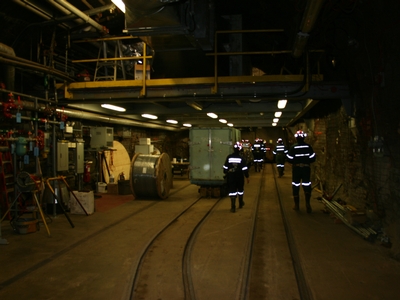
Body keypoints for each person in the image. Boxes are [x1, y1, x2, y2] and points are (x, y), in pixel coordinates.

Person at [286, 130, 316, 213]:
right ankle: (308, 203)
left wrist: (295, 161)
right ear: (304, 137)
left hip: (296, 169)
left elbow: (289, 158)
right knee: (307, 185)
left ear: (296, 138)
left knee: (296, 185)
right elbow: (313, 158)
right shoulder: (308, 147)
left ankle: (296, 205)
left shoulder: (293, 147)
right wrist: (306, 161)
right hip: (306, 168)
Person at [223, 142, 250, 213]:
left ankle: (233, 207)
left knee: (232, 191)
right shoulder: (241, 158)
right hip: (239, 176)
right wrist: (247, 176)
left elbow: (225, 167)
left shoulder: (229, 157)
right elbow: (244, 168)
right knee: (240, 190)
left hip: (231, 176)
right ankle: (240, 203)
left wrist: (226, 172)